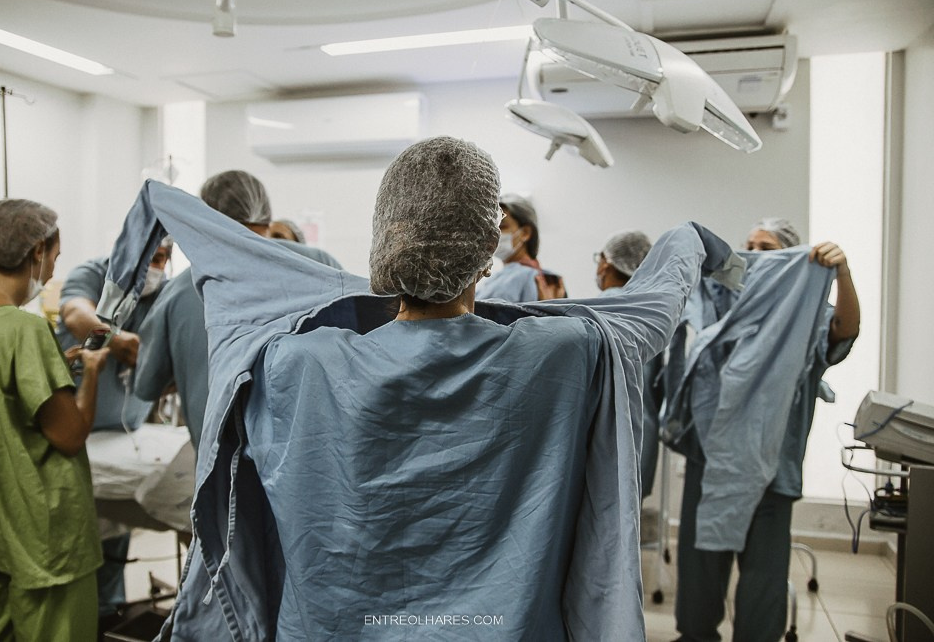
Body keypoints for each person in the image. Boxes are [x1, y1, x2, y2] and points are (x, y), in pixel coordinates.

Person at [99, 136, 744, 640]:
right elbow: (655, 305)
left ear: (385, 240)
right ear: (488, 249)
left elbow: (234, 294)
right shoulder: (568, 351)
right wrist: (700, 243)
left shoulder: (293, 364)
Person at [671, 217, 860, 642]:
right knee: (700, 569)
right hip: (712, 458)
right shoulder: (723, 302)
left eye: (768, 248)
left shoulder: (804, 316)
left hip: (771, 464)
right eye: (748, 245)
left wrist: (841, 273)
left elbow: (844, 331)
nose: (754, 254)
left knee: (762, 579)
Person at [0, 199, 108, 640]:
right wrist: (90, 373)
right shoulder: (24, 329)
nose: (51, 272)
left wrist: (52, 367)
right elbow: (68, 435)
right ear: (35, 252)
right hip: (42, 539)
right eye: (54, 258)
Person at [135, 170, 343, 448]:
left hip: (221, 478)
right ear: (266, 216)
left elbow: (147, 386)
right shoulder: (320, 266)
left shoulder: (181, 290)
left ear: (204, 218)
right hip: (309, 470)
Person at [55, 237, 173, 626]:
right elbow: (76, 315)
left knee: (116, 530)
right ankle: (89, 616)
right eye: (151, 256)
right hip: (78, 428)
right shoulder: (92, 275)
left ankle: (108, 611)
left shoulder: (166, 292)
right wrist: (115, 340)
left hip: (128, 431)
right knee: (84, 538)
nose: (158, 265)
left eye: (164, 257)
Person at [594, 231, 661, 499]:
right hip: (641, 439)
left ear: (605, 263)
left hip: (603, 440)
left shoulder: (595, 311)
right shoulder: (652, 314)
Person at [476, 193, 566, 302]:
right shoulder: (498, 278)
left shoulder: (542, 280)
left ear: (525, 233)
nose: (493, 234)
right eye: (492, 228)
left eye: (502, 227)